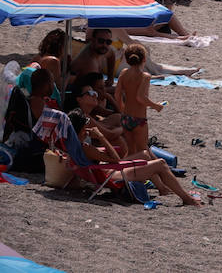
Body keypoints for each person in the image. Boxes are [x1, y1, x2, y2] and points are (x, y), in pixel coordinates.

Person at [70, 89, 203, 206]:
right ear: (79, 130)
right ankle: (186, 198)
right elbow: (116, 160)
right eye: (84, 129)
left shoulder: (75, 144)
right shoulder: (86, 147)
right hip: (112, 175)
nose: (87, 131)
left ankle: (163, 188)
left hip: (106, 170)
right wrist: (101, 138)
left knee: (145, 154)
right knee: (161, 163)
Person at [115, 43, 163, 156]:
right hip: (139, 119)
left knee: (131, 151)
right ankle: (151, 172)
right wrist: (156, 106)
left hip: (125, 117)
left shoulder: (123, 73)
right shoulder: (145, 76)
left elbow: (117, 94)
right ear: (144, 59)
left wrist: (122, 107)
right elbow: (140, 97)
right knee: (143, 151)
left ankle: (130, 171)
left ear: (127, 60)